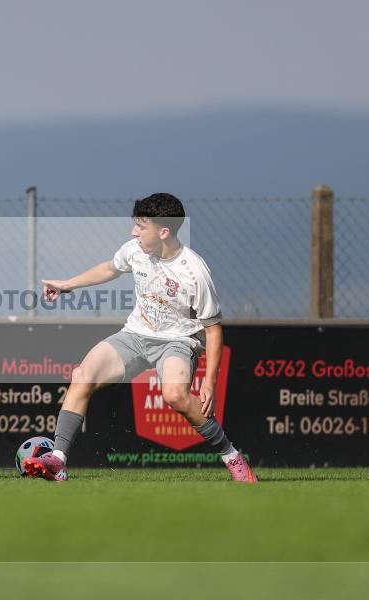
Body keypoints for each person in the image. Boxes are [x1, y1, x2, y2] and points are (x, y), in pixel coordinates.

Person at [25, 193, 256, 483]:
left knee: (175, 396)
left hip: (178, 341)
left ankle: (232, 457)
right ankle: (57, 462)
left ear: (164, 231)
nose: (134, 231)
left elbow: (213, 329)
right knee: (83, 374)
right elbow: (110, 268)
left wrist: (209, 383)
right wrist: (66, 285)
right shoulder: (135, 250)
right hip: (135, 335)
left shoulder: (194, 271)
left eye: (140, 226)